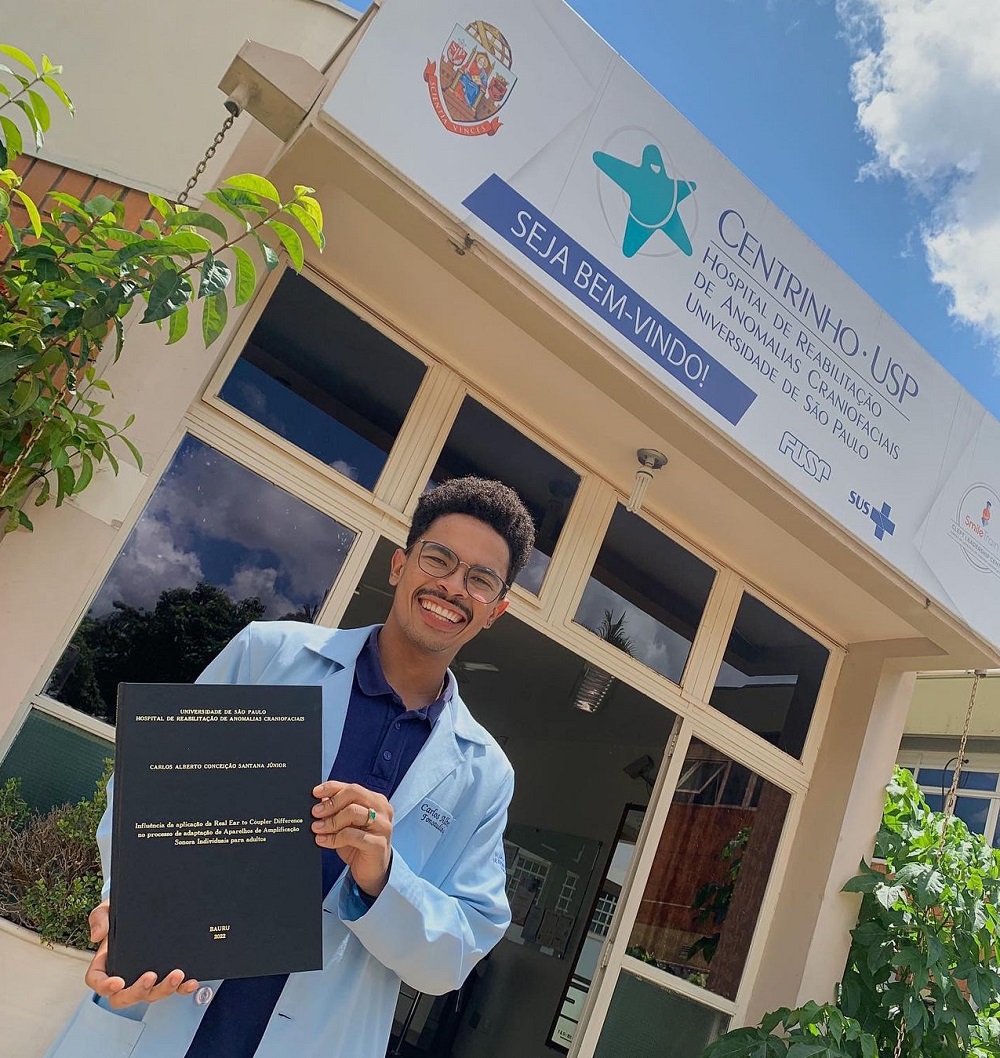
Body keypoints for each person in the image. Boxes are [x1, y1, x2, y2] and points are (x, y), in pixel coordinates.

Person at [45, 476, 536, 1058]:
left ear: (495, 610)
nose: (452, 586)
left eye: (479, 580)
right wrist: (130, 919)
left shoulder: (484, 774)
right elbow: (155, 797)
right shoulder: (270, 657)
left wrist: (382, 877)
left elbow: (455, 956)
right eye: (439, 559)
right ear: (399, 565)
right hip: (161, 1010)